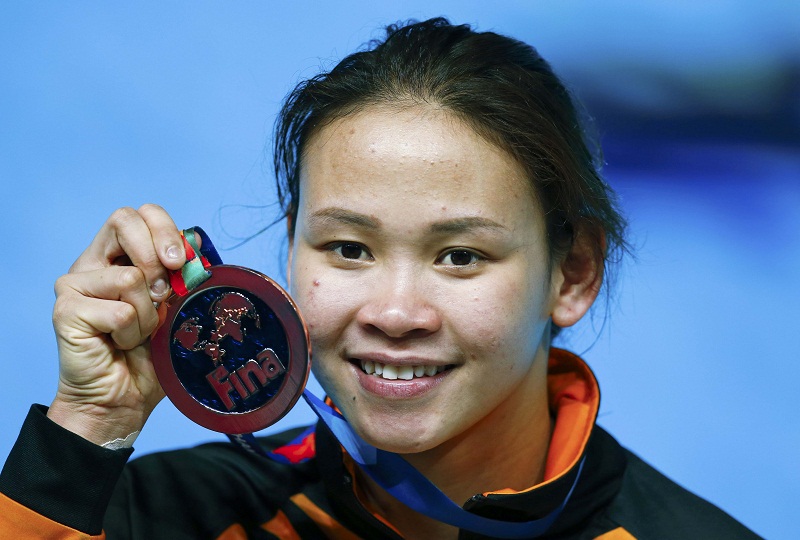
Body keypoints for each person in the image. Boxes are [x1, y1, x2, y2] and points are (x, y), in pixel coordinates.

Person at [0, 18, 758, 540]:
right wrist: (88, 431)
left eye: (460, 256)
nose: (396, 313)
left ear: (574, 272)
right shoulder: (162, 515)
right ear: (291, 250)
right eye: (349, 249)